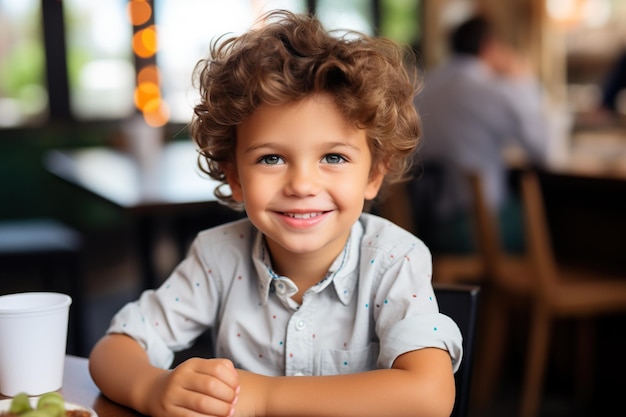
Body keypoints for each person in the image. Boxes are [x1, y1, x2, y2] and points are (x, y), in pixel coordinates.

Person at [88, 10, 462, 417]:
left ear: (373, 174)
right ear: (234, 176)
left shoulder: (394, 259)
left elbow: (430, 396)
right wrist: (152, 388)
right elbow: (114, 349)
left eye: (333, 157)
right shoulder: (218, 257)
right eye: (271, 159)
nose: (302, 184)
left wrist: (265, 397)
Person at [413, 15, 550, 254]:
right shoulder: (490, 89)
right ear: (490, 47)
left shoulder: (426, 87)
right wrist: (523, 79)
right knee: (552, 223)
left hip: (425, 221)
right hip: (474, 225)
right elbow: (543, 150)